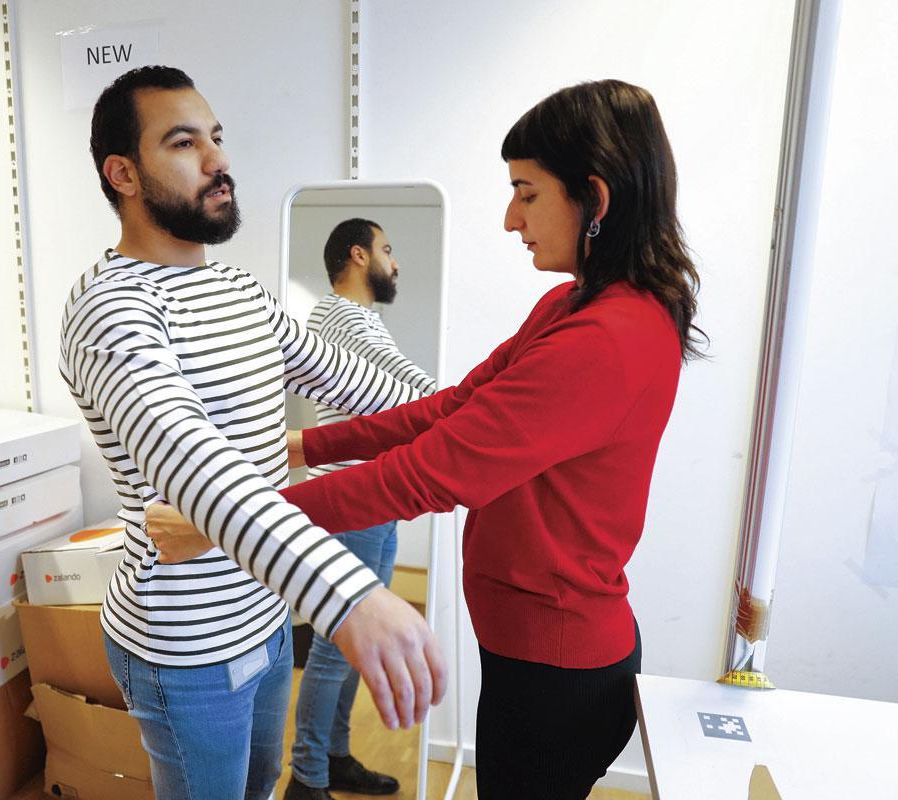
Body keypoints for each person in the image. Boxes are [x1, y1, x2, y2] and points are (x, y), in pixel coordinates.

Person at [150, 79, 703, 799]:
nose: (511, 218)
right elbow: (452, 408)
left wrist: (225, 523)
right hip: (532, 649)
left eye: (527, 193)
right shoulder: (573, 305)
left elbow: (429, 473)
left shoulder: (608, 337)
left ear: (594, 199)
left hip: (557, 668)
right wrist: (302, 448)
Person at [59, 66, 446, 800]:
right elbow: (199, 466)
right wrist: (350, 597)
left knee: (261, 782)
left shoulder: (236, 290)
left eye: (217, 138)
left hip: (265, 613)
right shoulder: (110, 310)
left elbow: (355, 383)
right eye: (184, 143)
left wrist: (477, 414)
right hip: (189, 643)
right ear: (124, 174)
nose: (218, 161)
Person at [286, 219, 436, 800]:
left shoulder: (361, 318)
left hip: (371, 494)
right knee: (336, 643)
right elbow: (407, 387)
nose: (394, 263)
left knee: (354, 643)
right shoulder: (340, 317)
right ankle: (307, 778)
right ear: (358, 254)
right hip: (351, 500)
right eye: (387, 250)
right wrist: (468, 405)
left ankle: (332, 757)